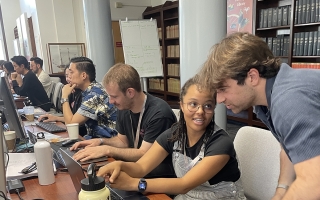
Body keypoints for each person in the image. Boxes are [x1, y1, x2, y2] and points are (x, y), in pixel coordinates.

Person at [197, 32, 320, 200]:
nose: (219, 99)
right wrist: (281, 191)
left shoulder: (288, 101)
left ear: (252, 77)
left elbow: (313, 183)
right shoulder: (267, 100)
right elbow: (289, 146)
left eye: (223, 89)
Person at [96, 76, 246, 199]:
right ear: (181, 105)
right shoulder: (174, 134)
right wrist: (120, 165)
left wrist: (134, 184)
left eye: (208, 106)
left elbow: (183, 184)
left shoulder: (221, 143)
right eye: (193, 104)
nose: (200, 111)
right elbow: (140, 167)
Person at [71, 63, 177, 178]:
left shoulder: (159, 114)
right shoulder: (124, 106)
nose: (111, 101)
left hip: (157, 176)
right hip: (135, 169)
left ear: (130, 92)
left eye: (114, 96)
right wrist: (100, 141)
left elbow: (144, 154)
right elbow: (123, 141)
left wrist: (107, 150)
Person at [59, 56, 117, 138]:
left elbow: (71, 125)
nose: (69, 77)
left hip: (106, 144)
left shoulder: (95, 95)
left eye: (71, 72)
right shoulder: (89, 91)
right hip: (93, 139)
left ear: (83, 76)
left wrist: (64, 96)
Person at [38, 66, 87, 136]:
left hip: (81, 134)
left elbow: (72, 123)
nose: (68, 79)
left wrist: (65, 96)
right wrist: (55, 118)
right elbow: (71, 118)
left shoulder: (85, 94)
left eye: (71, 75)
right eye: (66, 76)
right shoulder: (73, 92)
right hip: (74, 132)